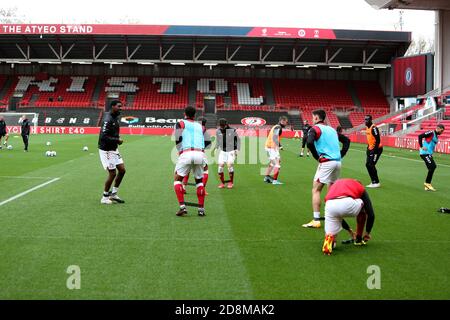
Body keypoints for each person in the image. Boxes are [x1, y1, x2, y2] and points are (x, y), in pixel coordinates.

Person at [302, 109, 344, 229]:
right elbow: (346, 141)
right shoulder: (331, 129)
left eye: (312, 117)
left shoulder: (315, 129)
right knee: (332, 190)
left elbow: (309, 142)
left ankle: (316, 220)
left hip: (326, 162)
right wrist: (342, 154)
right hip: (337, 162)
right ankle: (334, 217)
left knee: (316, 190)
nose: (312, 119)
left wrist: (317, 157)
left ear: (316, 118)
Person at [322, 178, 375, 255]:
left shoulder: (336, 184)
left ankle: (330, 243)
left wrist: (349, 230)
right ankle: (359, 238)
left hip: (330, 206)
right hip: (348, 204)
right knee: (363, 206)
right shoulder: (360, 187)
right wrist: (367, 233)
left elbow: (339, 215)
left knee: (331, 233)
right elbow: (371, 214)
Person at [173, 106, 206, 217]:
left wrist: (179, 150)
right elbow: (206, 141)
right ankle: (201, 209)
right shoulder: (201, 126)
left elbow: (177, 138)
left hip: (186, 153)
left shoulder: (181, 123)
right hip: (200, 153)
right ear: (194, 115)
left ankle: (183, 207)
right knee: (199, 181)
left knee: (177, 179)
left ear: (184, 114)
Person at [98, 100, 126, 205]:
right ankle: (105, 197)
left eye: (121, 106)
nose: (120, 108)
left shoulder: (115, 117)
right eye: (119, 106)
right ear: (113, 106)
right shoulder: (107, 119)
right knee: (112, 173)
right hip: (106, 150)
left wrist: (116, 140)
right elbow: (103, 136)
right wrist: (117, 140)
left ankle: (113, 194)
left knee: (122, 170)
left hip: (114, 149)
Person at [182, 117, 211, 194]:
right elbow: (208, 144)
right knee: (205, 170)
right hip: (199, 152)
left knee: (186, 170)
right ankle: (202, 189)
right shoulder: (204, 130)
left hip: (187, 151)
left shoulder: (192, 129)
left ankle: (183, 187)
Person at [214, 118, 240, 189]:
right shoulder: (218, 131)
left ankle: (231, 182)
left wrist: (237, 149)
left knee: (229, 165)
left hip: (231, 151)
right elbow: (218, 141)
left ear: (226, 124)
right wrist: (216, 148)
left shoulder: (232, 130)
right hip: (223, 151)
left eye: (223, 126)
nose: (221, 127)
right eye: (220, 126)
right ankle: (222, 183)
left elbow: (238, 140)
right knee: (220, 166)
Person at [418, 124, 445, 191]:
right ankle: (427, 183)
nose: (442, 132)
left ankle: (427, 185)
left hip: (428, 154)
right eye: (441, 131)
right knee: (433, 166)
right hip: (424, 153)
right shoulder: (431, 132)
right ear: (438, 128)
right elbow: (420, 136)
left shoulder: (436, 136)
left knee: (431, 168)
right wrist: (421, 146)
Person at [264, 116, 289, 185]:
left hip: (269, 146)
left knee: (273, 163)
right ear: (282, 121)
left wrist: (280, 146)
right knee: (277, 164)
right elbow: (275, 137)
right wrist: (276, 147)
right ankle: (275, 180)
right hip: (272, 147)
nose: (286, 123)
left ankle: (266, 177)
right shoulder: (278, 127)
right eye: (286, 122)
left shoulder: (276, 126)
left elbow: (276, 137)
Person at [365, 115, 383, 188]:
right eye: (365, 120)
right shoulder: (367, 128)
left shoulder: (374, 128)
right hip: (370, 149)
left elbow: (378, 140)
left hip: (377, 149)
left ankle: (376, 182)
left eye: (367, 120)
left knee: (371, 165)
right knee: (367, 164)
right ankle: (373, 181)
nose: (365, 121)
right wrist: (368, 148)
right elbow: (370, 139)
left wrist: (374, 151)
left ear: (370, 120)